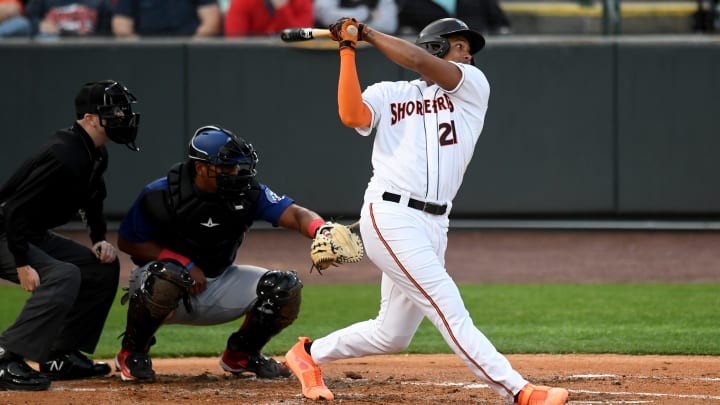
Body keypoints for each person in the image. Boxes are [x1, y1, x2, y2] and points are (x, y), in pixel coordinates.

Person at [282, 17, 569, 405]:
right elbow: (352, 115)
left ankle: (307, 355)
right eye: (459, 46)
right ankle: (518, 391)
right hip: (390, 214)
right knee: (447, 304)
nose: (468, 53)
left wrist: (365, 33)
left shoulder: (472, 87)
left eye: (469, 48)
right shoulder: (389, 93)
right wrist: (347, 50)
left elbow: (419, 62)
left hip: (435, 223)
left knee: (392, 334)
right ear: (437, 46)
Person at [113, 125, 330, 382]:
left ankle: (241, 355)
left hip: (216, 282)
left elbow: (295, 214)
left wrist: (321, 230)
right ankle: (132, 352)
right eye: (226, 166)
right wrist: (183, 263)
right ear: (201, 167)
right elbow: (127, 241)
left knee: (285, 287)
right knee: (168, 276)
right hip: (158, 284)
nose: (236, 172)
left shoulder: (247, 193)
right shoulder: (159, 195)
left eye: (238, 166)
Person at [0, 80, 141, 391]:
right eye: (113, 110)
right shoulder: (64, 153)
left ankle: (58, 355)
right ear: (89, 118)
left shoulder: (94, 153)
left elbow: (93, 200)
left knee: (100, 267)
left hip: (27, 232)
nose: (123, 115)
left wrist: (98, 239)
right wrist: (23, 262)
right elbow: (13, 210)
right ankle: (6, 358)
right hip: (7, 232)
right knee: (62, 276)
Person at [112, 0, 221, 38]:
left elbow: (211, 24)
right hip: (147, 49)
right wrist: (141, 49)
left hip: (188, 47)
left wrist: (191, 47)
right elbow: (121, 26)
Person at [397, 0, 511, 35]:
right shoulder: (412, 3)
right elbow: (406, 27)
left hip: (477, 57)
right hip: (434, 59)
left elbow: (501, 24)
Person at [24, 0, 113, 38]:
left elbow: (106, 33)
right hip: (51, 48)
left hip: (88, 48)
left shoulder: (101, 2)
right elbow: (28, 19)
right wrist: (39, 24)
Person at [224, 0, 312, 37]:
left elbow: (302, 39)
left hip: (292, 63)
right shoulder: (242, 2)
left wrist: (282, 9)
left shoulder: (302, 2)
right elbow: (235, 44)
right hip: (252, 64)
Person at [313, 0, 397, 35]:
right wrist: (367, 14)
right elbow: (326, 17)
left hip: (370, 52)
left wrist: (346, 24)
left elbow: (389, 25)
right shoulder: (366, 13)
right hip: (330, 51)